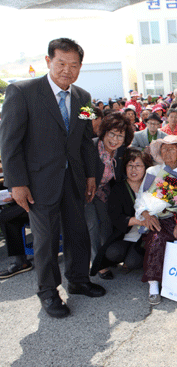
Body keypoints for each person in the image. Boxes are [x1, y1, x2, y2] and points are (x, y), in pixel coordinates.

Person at [0, 38, 104, 318]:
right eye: (61, 63)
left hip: (75, 180)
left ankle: (79, 280)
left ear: (80, 67)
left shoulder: (83, 97)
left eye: (74, 65)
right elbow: (10, 142)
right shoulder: (22, 91)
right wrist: (16, 183)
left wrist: (92, 174)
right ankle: (48, 293)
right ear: (48, 62)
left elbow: (87, 140)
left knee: (78, 233)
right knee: (45, 241)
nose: (67, 70)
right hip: (37, 183)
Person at [134, 135, 177, 305]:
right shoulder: (152, 172)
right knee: (156, 239)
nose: (167, 152)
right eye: (164, 149)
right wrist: (147, 214)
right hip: (159, 218)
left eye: (172, 148)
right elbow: (142, 197)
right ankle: (153, 284)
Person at [90, 148, 154, 278]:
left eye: (138, 166)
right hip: (126, 234)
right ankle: (126, 256)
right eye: (130, 165)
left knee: (132, 262)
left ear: (145, 167)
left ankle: (132, 259)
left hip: (145, 236)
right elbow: (117, 218)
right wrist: (139, 221)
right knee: (112, 252)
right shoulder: (118, 188)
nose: (133, 170)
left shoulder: (151, 186)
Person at [86, 112, 134, 279]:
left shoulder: (121, 151)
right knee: (92, 225)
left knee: (107, 222)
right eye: (111, 134)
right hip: (83, 191)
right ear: (104, 132)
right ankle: (97, 263)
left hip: (104, 192)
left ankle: (105, 257)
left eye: (120, 135)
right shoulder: (91, 147)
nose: (115, 139)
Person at [0, 200, 31, 279]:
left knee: (5, 216)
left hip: (43, 201)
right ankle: (21, 262)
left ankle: (21, 261)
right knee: (9, 217)